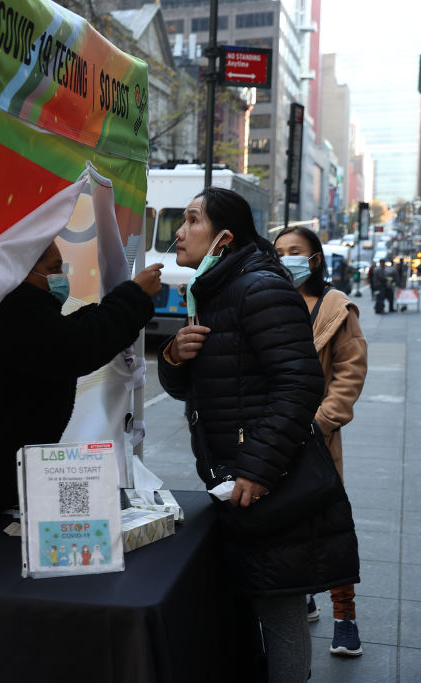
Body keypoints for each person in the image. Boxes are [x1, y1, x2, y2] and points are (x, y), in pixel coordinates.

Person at [158, 187, 359, 682]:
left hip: (270, 481)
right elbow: (203, 386)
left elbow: (300, 383)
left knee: (281, 606)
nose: (179, 233)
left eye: (190, 220)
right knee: (255, 598)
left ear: (223, 238)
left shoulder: (258, 288)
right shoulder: (214, 290)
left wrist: (257, 468)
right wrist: (174, 356)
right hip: (237, 477)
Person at [0, 240, 162, 527]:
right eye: (53, 269)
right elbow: (74, 346)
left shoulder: (7, 305)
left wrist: (109, 308)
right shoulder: (15, 307)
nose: (60, 278)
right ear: (21, 271)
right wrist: (134, 297)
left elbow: (64, 334)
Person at [275, 225, 368, 657]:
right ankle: (304, 596)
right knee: (286, 524)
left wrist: (321, 422)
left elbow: (350, 372)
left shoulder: (336, 307)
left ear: (315, 259)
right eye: (279, 252)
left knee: (330, 527)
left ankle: (344, 616)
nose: (286, 258)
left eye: (296, 251)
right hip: (273, 437)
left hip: (316, 436)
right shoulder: (269, 301)